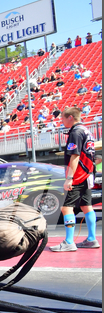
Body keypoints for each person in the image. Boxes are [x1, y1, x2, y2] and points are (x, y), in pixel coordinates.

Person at [50, 107, 100, 251]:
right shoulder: (86, 130)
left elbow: (75, 156)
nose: (61, 121)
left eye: (63, 118)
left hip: (78, 175)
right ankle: (91, 239)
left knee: (66, 208)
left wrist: (70, 178)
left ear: (70, 117)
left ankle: (69, 242)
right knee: (86, 206)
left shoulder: (75, 132)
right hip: (87, 174)